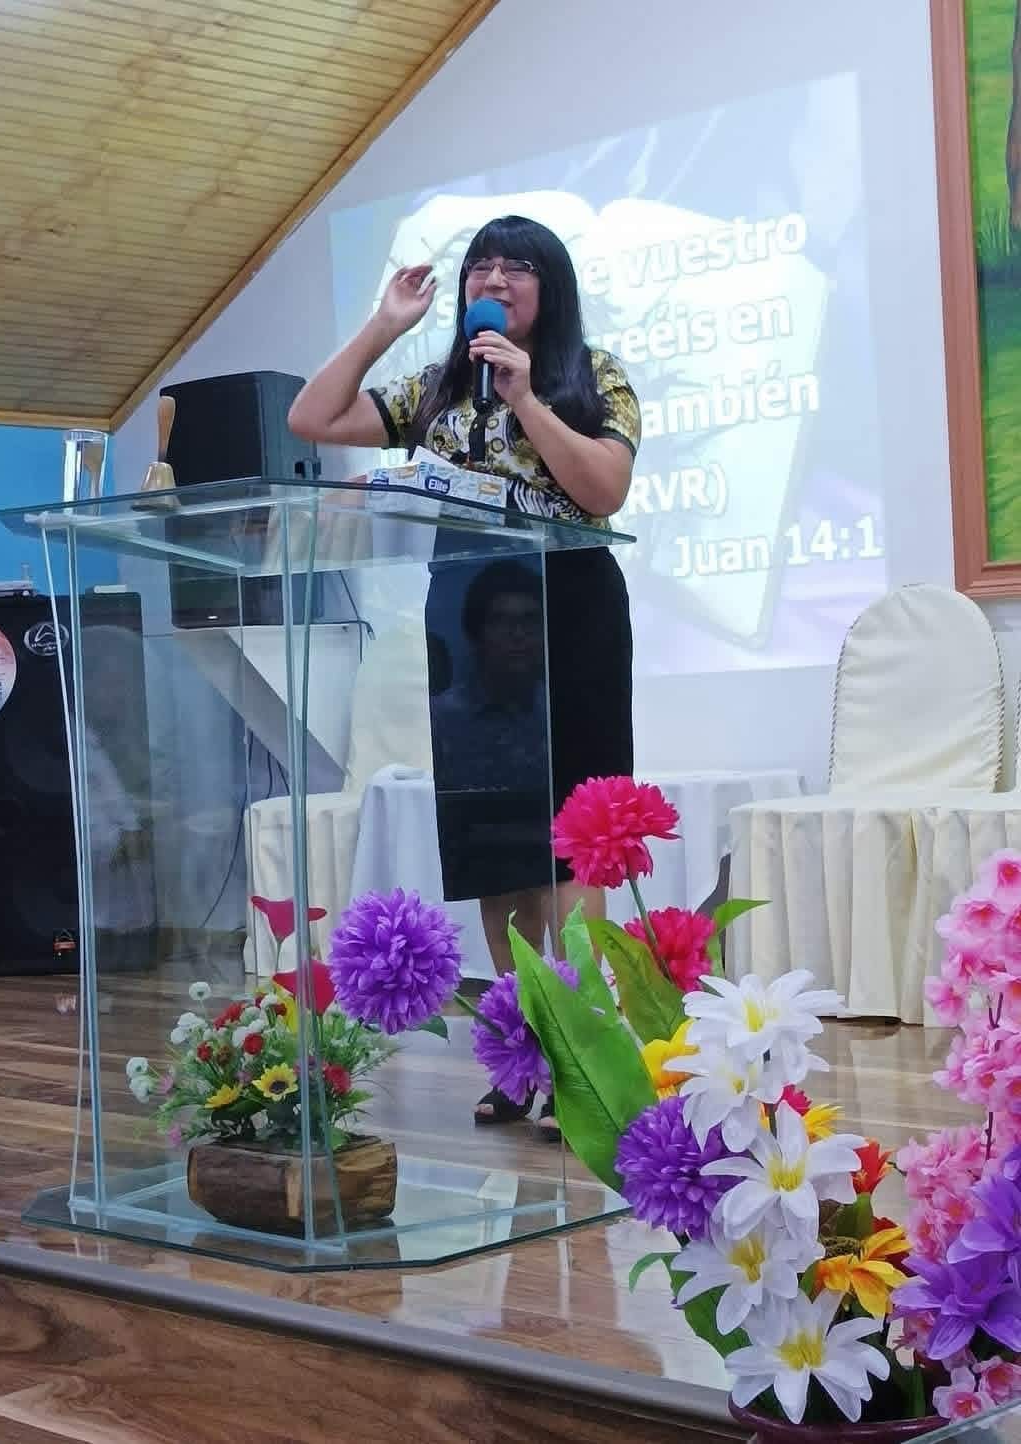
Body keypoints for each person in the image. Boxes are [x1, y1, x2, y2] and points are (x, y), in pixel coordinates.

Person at [288, 215, 640, 1136]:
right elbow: (311, 418)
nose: (495, 278)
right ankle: (521, 1054)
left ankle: (580, 1058)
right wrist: (383, 325)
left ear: (550, 288)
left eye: (516, 266)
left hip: (573, 612)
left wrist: (527, 399)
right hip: (470, 616)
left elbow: (604, 491)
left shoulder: (591, 376)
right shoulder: (439, 386)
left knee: (570, 837)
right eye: (481, 265)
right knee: (495, 832)